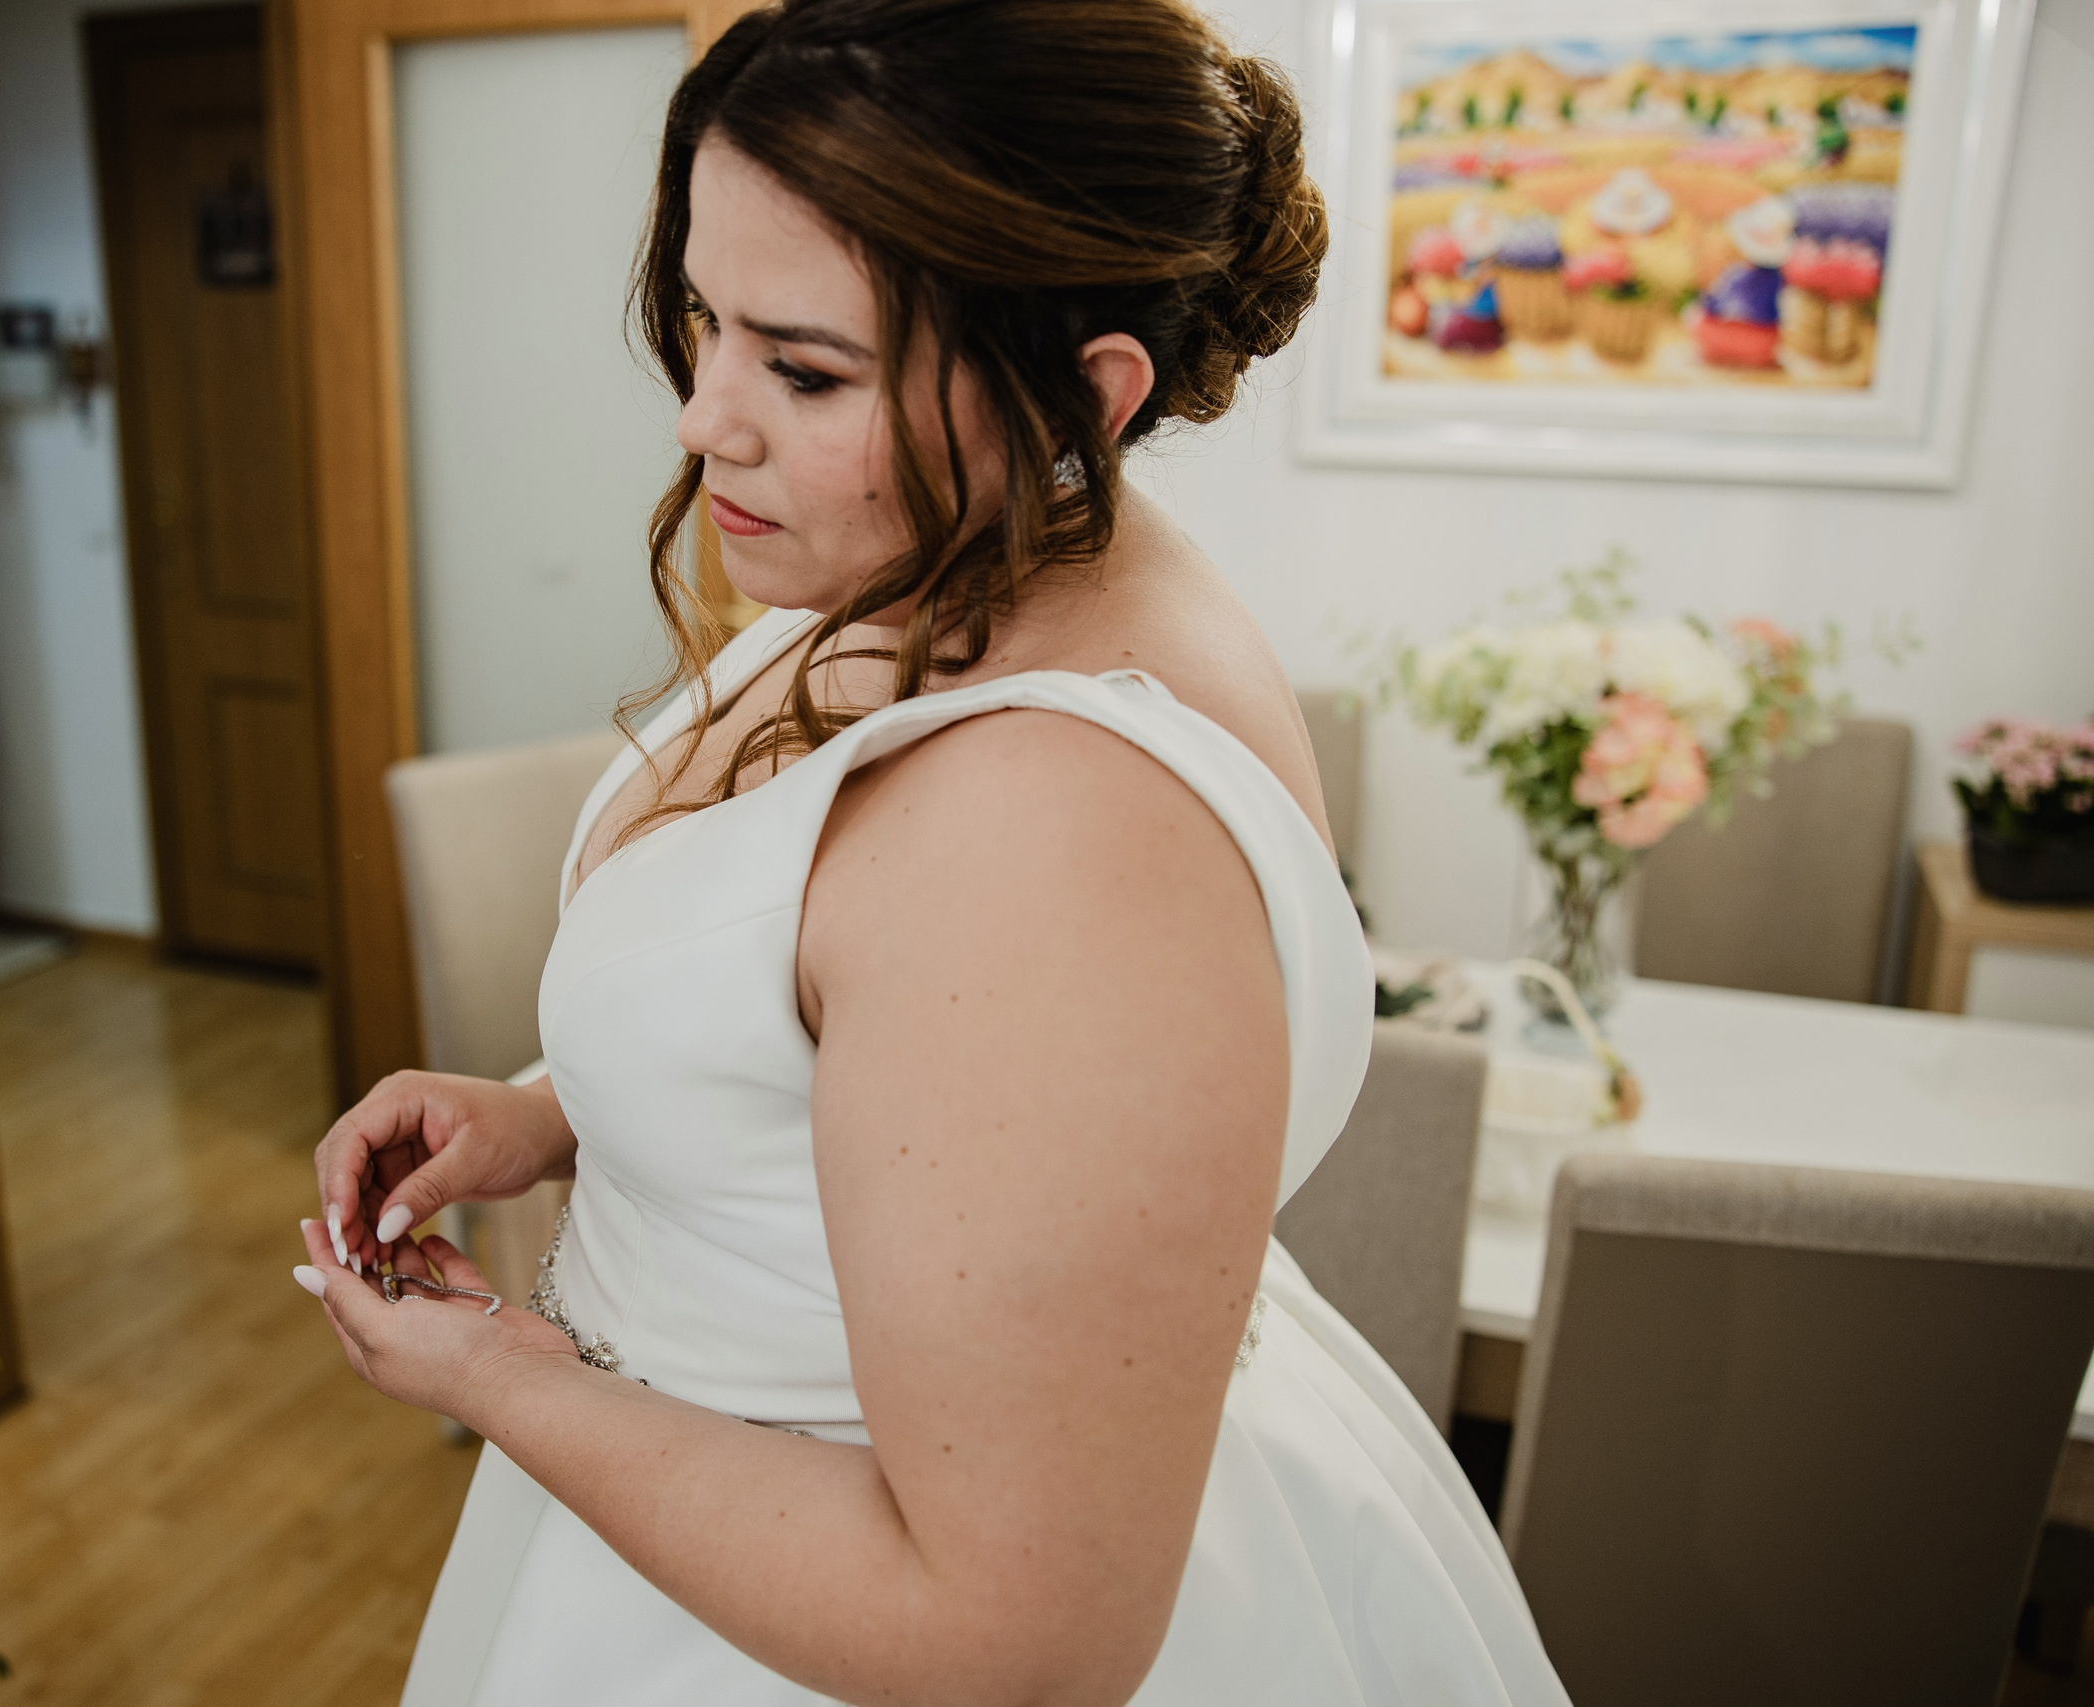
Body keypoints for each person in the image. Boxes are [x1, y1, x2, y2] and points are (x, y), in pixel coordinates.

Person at [293, 2, 1572, 1700]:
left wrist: (495, 1373)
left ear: (1084, 391)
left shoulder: (1057, 828)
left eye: (803, 368)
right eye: (701, 320)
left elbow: (1010, 1639)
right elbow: (862, 1048)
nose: (703, 418)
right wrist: (552, 1114)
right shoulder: (954, 554)